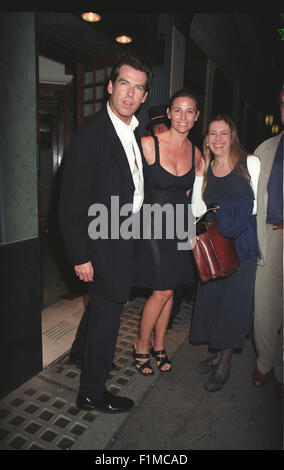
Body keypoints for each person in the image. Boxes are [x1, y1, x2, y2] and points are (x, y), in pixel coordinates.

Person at [59, 55, 152, 414]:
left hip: (123, 235)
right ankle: (91, 393)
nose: (130, 93)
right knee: (108, 314)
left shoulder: (132, 131)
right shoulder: (93, 134)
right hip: (103, 240)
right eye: (124, 84)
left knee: (101, 306)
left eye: (138, 87)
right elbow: (69, 202)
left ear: (144, 96)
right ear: (110, 87)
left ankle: (82, 355)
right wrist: (80, 256)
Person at [132, 88, 203, 375]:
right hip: (151, 226)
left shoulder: (196, 152)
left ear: (196, 116)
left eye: (190, 111)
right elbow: (128, 183)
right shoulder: (149, 144)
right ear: (169, 113)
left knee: (170, 289)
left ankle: (159, 344)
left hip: (179, 226)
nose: (183, 116)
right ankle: (140, 344)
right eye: (178, 110)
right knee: (161, 290)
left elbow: (188, 194)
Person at [190, 113, 260, 392]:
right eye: (212, 134)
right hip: (215, 246)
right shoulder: (204, 168)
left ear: (233, 137)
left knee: (234, 303)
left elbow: (256, 208)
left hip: (241, 244)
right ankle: (218, 351)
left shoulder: (249, 163)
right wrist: (197, 179)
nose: (218, 139)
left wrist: (223, 211)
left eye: (224, 133)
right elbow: (197, 210)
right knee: (214, 300)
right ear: (206, 139)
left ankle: (224, 363)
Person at [251, 87, 284, 394]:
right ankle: (265, 362)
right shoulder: (266, 149)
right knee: (264, 308)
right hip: (272, 235)